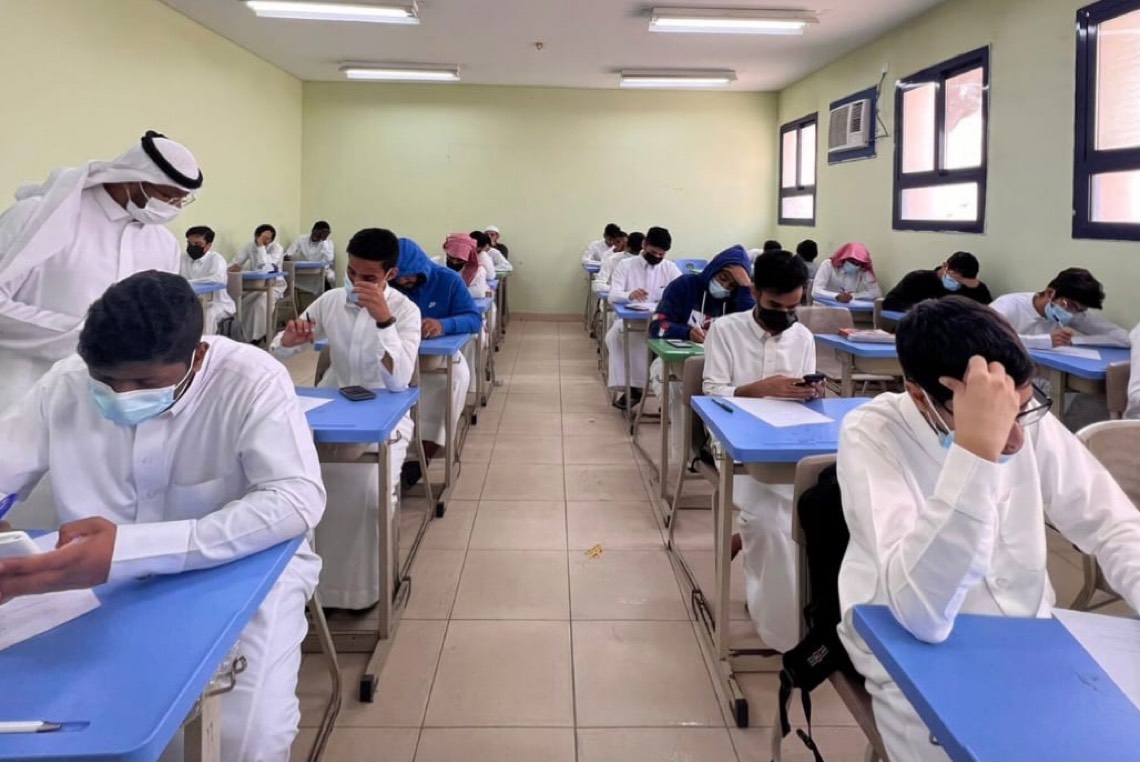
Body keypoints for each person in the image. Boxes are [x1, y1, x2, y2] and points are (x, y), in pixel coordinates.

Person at [0, 271, 324, 759]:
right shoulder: (66, 382)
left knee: (244, 737)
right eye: (105, 381)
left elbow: (296, 499)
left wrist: (131, 549)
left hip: (239, 574)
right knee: (56, 712)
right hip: (93, 586)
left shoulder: (250, 380)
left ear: (198, 356)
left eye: (144, 383)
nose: (121, 394)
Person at [835, 296, 1140, 762]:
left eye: (1022, 409)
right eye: (996, 417)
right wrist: (975, 453)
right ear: (919, 395)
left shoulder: (1026, 421)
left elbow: (1113, 524)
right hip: (908, 648)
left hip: (1029, 641)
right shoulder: (872, 433)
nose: (1015, 438)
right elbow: (921, 612)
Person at [0, 130, 201, 414]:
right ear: (134, 179)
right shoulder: (39, 216)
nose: (173, 208)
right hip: (24, 394)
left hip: (110, 406)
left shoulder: (164, 243)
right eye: (167, 197)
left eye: (181, 201)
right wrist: (86, 335)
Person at [270, 228, 419, 610]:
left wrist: (383, 321)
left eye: (368, 277)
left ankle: (363, 592)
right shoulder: (331, 301)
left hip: (386, 415)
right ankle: (310, 593)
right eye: (351, 273)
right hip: (333, 406)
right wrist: (288, 341)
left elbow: (399, 380)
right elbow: (285, 346)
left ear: (390, 274)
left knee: (367, 493)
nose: (356, 282)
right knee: (299, 486)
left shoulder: (404, 311)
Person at [702, 249, 821, 653]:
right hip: (734, 443)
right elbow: (712, 391)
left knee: (817, 515)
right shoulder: (725, 330)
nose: (785, 315)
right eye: (775, 306)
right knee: (770, 522)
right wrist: (759, 388)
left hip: (788, 443)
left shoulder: (802, 337)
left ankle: (809, 614)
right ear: (754, 292)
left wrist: (812, 392)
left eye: (793, 307)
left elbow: (806, 397)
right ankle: (783, 633)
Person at [649, 244, 754, 461]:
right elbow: (657, 326)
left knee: (736, 394)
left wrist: (745, 287)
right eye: (723, 278)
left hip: (721, 367)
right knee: (679, 392)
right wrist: (686, 332)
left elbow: (751, 329)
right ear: (713, 269)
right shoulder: (685, 286)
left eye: (732, 284)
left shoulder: (738, 299)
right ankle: (686, 458)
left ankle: (723, 454)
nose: (725, 286)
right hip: (676, 364)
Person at [391, 238, 480, 487]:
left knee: (456, 379)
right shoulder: (386, 287)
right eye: (399, 278)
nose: (405, 282)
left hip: (439, 360)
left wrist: (443, 325)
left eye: (410, 276)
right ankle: (388, 458)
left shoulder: (447, 280)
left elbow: (473, 319)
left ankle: (421, 458)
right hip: (397, 360)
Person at [606, 227, 682, 410]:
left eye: (661, 254)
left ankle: (668, 397)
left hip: (662, 322)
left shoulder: (670, 268)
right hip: (632, 320)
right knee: (616, 335)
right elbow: (613, 295)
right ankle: (634, 388)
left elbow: (682, 293)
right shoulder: (626, 265)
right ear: (645, 244)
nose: (657, 257)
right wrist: (629, 295)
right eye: (653, 252)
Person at [989, 268, 1130, 348]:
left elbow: (1124, 338)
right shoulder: (1008, 305)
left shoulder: (1072, 313)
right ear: (1050, 293)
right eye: (1070, 305)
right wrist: (1045, 341)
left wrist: (1074, 341)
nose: (1072, 313)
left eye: (1080, 310)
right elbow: (987, 336)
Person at [882, 251, 992, 312]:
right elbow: (890, 302)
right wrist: (923, 310)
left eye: (962, 281)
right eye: (954, 278)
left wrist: (978, 288)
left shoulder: (973, 288)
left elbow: (989, 315)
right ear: (945, 266)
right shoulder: (918, 279)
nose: (957, 283)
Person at [231, 224, 286, 343]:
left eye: (267, 238)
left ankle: (257, 336)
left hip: (274, 286)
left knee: (260, 303)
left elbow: (267, 267)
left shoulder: (277, 248)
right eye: (261, 237)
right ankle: (242, 335)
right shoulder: (250, 246)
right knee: (240, 300)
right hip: (255, 285)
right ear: (256, 236)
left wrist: (261, 246)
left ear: (272, 239)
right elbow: (236, 262)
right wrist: (233, 267)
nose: (264, 240)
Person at [182, 225, 235, 334]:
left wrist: (187, 282)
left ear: (208, 245)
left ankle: (206, 343)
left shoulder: (216, 259)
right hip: (189, 302)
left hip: (217, 303)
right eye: (189, 243)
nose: (192, 247)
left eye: (197, 244)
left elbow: (217, 280)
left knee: (207, 313)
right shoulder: (181, 258)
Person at [812, 242, 882, 303]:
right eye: (852, 262)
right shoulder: (828, 265)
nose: (854, 266)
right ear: (844, 258)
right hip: (825, 306)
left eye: (857, 264)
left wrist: (853, 296)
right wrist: (836, 296)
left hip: (848, 308)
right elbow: (816, 291)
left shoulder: (862, 268)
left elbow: (876, 292)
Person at [285, 220, 335, 293]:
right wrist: (288, 257)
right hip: (305, 269)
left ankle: (326, 296)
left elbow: (330, 259)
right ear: (312, 230)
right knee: (287, 276)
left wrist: (324, 241)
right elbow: (289, 253)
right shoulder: (301, 239)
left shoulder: (328, 243)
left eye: (319, 235)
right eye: (315, 233)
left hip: (321, 270)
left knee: (330, 277)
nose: (315, 237)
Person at [444, 233, 490, 299]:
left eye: (460, 260)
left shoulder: (478, 271)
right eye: (451, 258)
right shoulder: (437, 263)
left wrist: (448, 292)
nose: (454, 262)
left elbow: (478, 292)